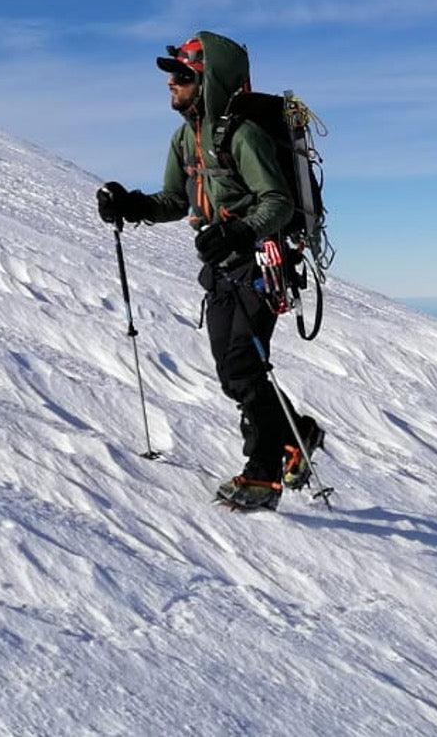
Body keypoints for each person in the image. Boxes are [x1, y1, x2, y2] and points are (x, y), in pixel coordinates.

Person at [96, 31, 323, 511]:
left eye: (181, 77)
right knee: (233, 372)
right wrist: (132, 204)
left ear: (208, 82)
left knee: (243, 363)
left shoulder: (244, 135)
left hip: (262, 263)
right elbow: (176, 200)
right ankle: (296, 432)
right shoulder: (184, 139)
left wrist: (241, 233)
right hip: (220, 267)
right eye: (172, 78)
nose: (171, 86)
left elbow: (278, 203)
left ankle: (262, 477)